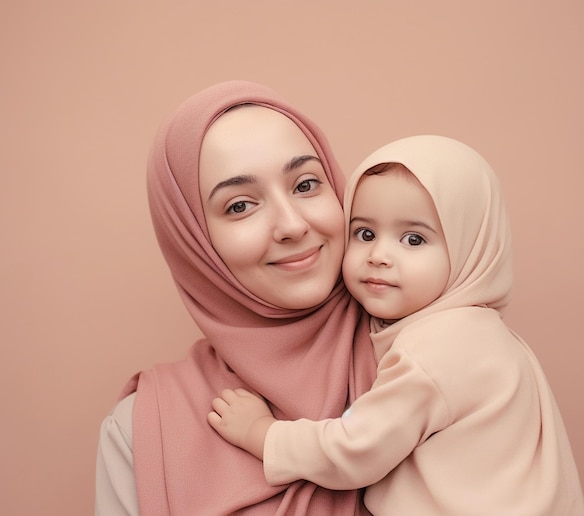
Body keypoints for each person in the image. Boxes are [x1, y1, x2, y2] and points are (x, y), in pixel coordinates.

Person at [208, 135, 584, 515]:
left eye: (413, 239)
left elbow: (356, 447)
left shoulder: (440, 347)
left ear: (467, 248)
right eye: (365, 234)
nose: (379, 256)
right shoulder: (481, 333)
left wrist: (260, 431)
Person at [95, 80, 377, 515]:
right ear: (192, 241)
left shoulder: (438, 362)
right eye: (240, 206)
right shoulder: (145, 429)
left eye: (305, 185)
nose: (291, 225)